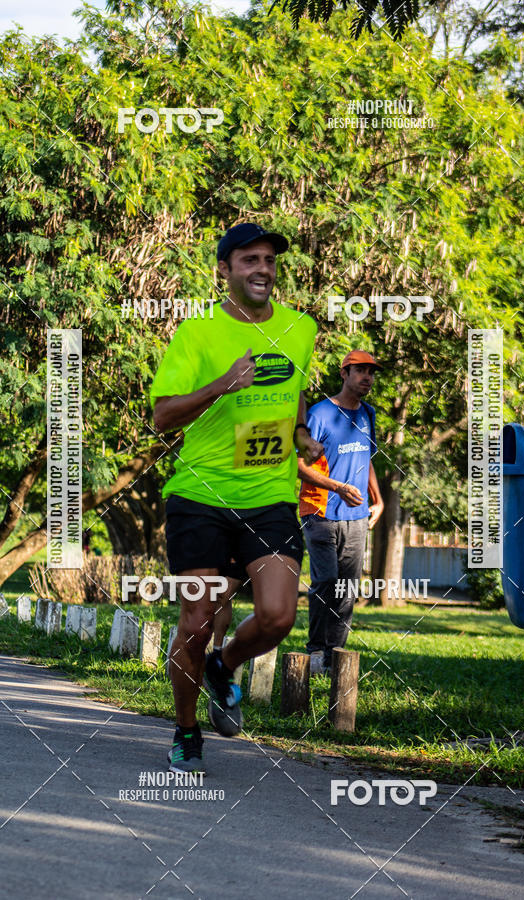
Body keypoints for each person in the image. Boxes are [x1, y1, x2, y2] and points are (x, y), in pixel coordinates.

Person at [150, 222, 322, 773]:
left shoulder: (300, 328)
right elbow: (163, 417)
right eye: (250, 260)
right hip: (200, 494)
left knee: (277, 617)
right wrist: (221, 385)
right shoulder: (196, 335)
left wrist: (300, 435)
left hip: (269, 495)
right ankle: (185, 730)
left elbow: (291, 396)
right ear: (224, 270)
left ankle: (224, 666)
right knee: (196, 620)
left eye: (269, 260)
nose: (263, 270)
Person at [298, 350, 384, 672]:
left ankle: (335, 656)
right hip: (319, 512)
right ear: (344, 374)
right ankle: (315, 652)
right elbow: (298, 466)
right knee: (327, 581)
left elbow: (366, 459)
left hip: (357, 516)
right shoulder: (320, 415)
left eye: (371, 372)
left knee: (347, 589)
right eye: (360, 371)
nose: (367, 378)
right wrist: (337, 487)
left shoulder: (368, 415)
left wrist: (378, 499)